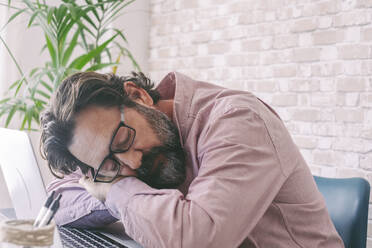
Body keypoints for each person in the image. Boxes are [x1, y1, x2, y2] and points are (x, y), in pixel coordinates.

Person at [40, 71, 344, 248]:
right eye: (110, 164)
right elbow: (57, 198)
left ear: (138, 96)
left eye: (124, 139)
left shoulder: (237, 119)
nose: (131, 163)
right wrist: (103, 183)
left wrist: (114, 190)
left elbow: (199, 238)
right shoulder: (124, 162)